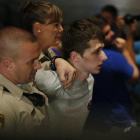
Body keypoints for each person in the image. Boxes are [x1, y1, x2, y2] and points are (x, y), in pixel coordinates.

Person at [35, 19, 107, 139]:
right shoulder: (53, 82)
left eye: (102, 49)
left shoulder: (90, 80)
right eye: (96, 51)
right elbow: (16, 70)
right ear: (75, 56)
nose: (104, 57)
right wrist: (54, 61)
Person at [84, 17, 140, 140]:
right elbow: (134, 77)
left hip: (93, 119)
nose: (113, 33)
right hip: (119, 118)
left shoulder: (82, 56)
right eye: (107, 33)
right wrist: (125, 51)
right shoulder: (112, 58)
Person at [0, 27, 49, 140]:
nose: (38, 66)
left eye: (38, 59)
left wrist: (57, 61)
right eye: (32, 61)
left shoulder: (21, 80)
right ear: (8, 65)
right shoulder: (3, 106)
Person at [19, 0, 76, 90]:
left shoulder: (49, 52)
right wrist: (55, 62)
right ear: (38, 28)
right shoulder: (23, 57)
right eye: (56, 25)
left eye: (61, 24)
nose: (61, 29)